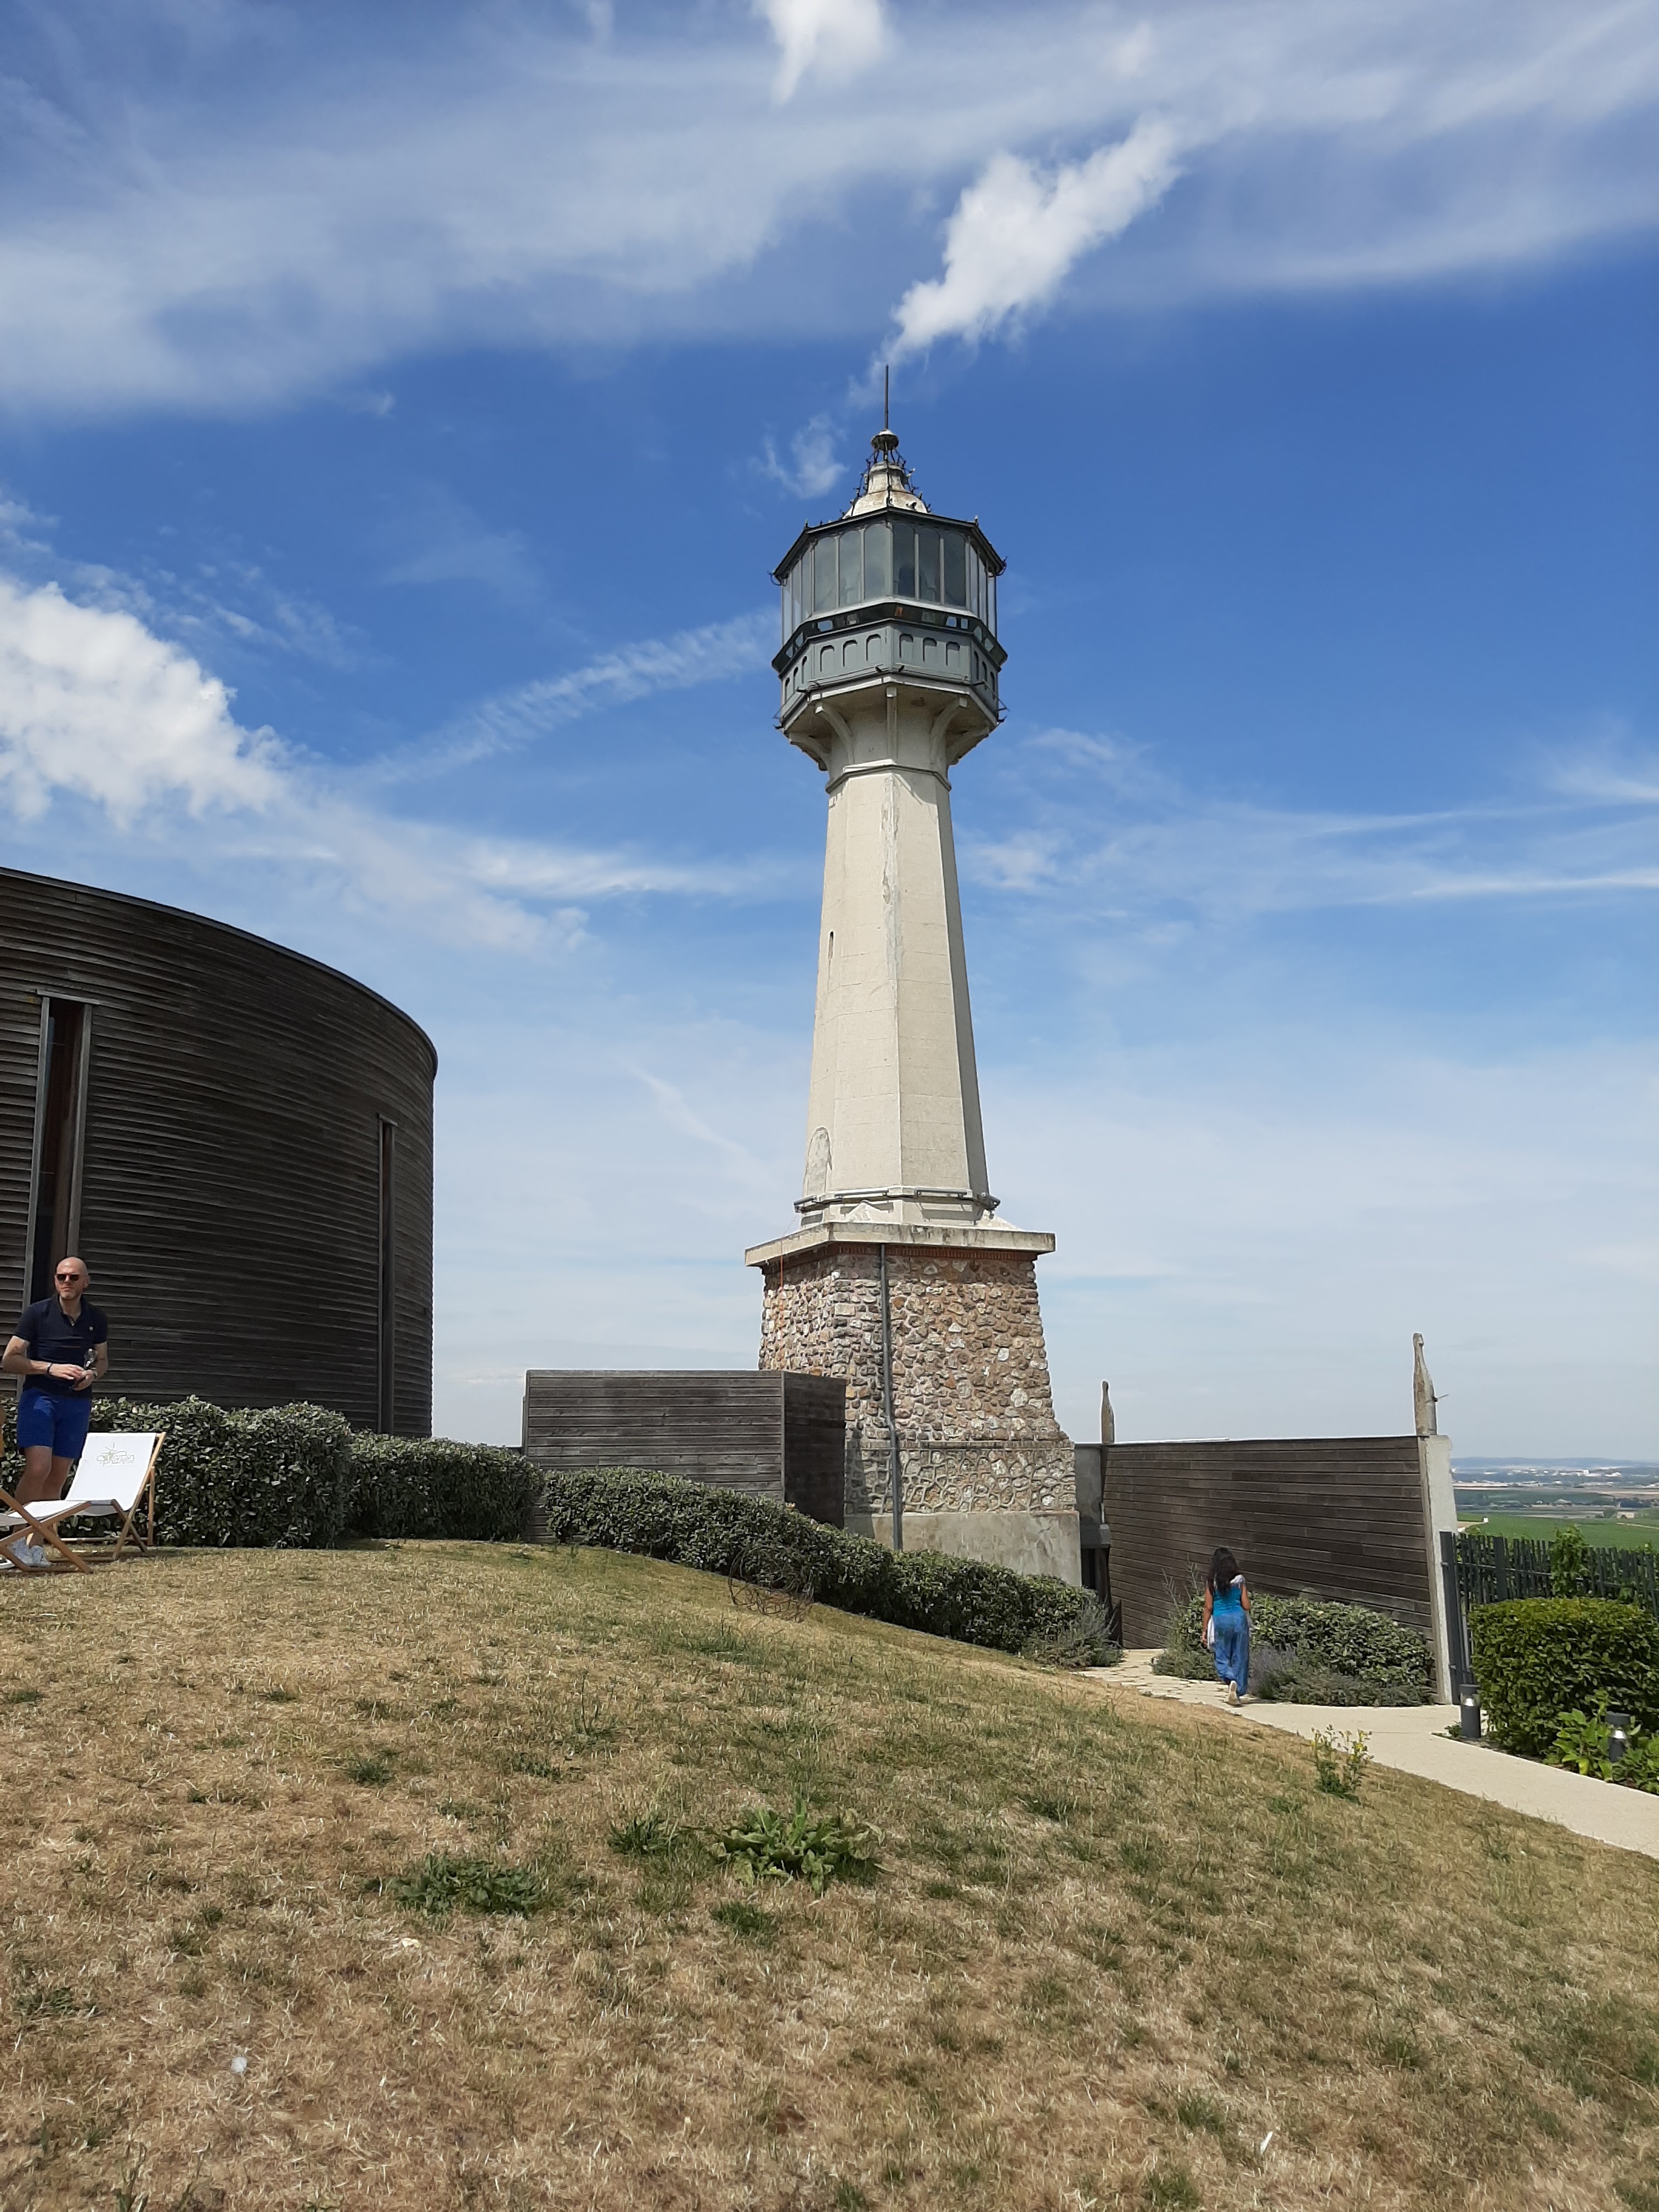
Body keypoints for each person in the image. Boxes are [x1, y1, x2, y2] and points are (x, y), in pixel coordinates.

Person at [3, 1257, 109, 1566]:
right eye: (61, 1277)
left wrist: (92, 1375)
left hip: (77, 1403)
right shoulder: (37, 1314)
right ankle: (13, 1541)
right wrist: (50, 1368)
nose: (66, 1282)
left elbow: (102, 1361)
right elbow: (9, 1360)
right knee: (38, 1468)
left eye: (73, 1277)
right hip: (41, 1398)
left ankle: (35, 1546)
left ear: (85, 1282)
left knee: (59, 1474)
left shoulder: (96, 1318)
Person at [1203, 1545, 1251, 1706]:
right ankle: (1238, 1690)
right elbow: (1246, 1606)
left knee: (1222, 1655)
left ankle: (1230, 1678)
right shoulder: (1240, 1580)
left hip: (1221, 1621)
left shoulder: (1212, 1582)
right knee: (1240, 1655)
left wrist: (1204, 1630)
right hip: (1239, 1620)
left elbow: (1209, 1607)